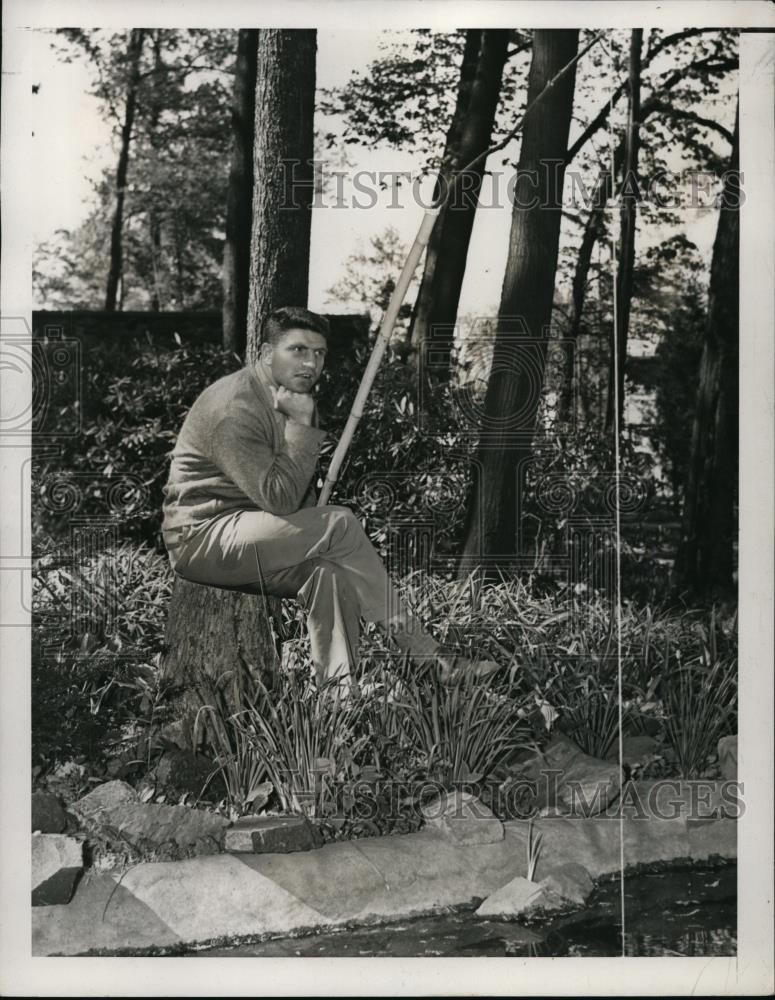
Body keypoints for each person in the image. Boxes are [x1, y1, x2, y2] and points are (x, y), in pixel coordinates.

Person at [161, 306, 500, 690]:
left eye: (319, 353)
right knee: (340, 523)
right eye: (298, 350)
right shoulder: (234, 409)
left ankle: (337, 699)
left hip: (250, 534)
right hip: (203, 540)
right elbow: (282, 500)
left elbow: (295, 494)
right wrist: (302, 426)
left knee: (331, 574)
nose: (311, 363)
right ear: (266, 352)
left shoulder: (287, 397)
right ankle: (427, 656)